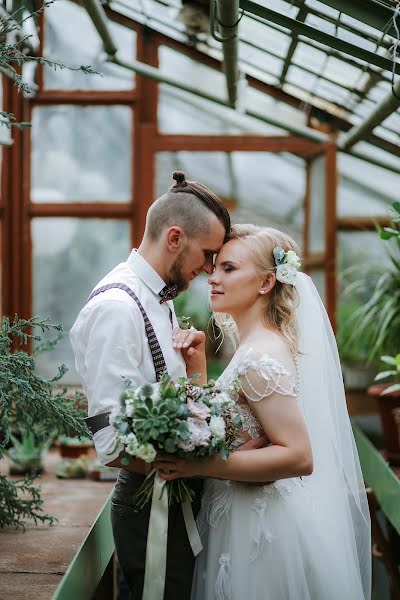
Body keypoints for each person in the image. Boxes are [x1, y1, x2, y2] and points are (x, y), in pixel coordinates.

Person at [156, 224, 371, 600]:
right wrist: (198, 373)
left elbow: (299, 456)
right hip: (239, 516)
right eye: (215, 267)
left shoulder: (259, 357)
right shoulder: (255, 347)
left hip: (258, 533)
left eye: (229, 268)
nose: (213, 278)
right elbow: (236, 427)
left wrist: (201, 466)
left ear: (266, 283)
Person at [70, 171, 231, 599]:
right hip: (151, 510)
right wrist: (201, 462)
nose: (210, 269)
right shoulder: (118, 309)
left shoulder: (158, 299)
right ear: (175, 238)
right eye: (208, 254)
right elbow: (112, 440)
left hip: (172, 503)